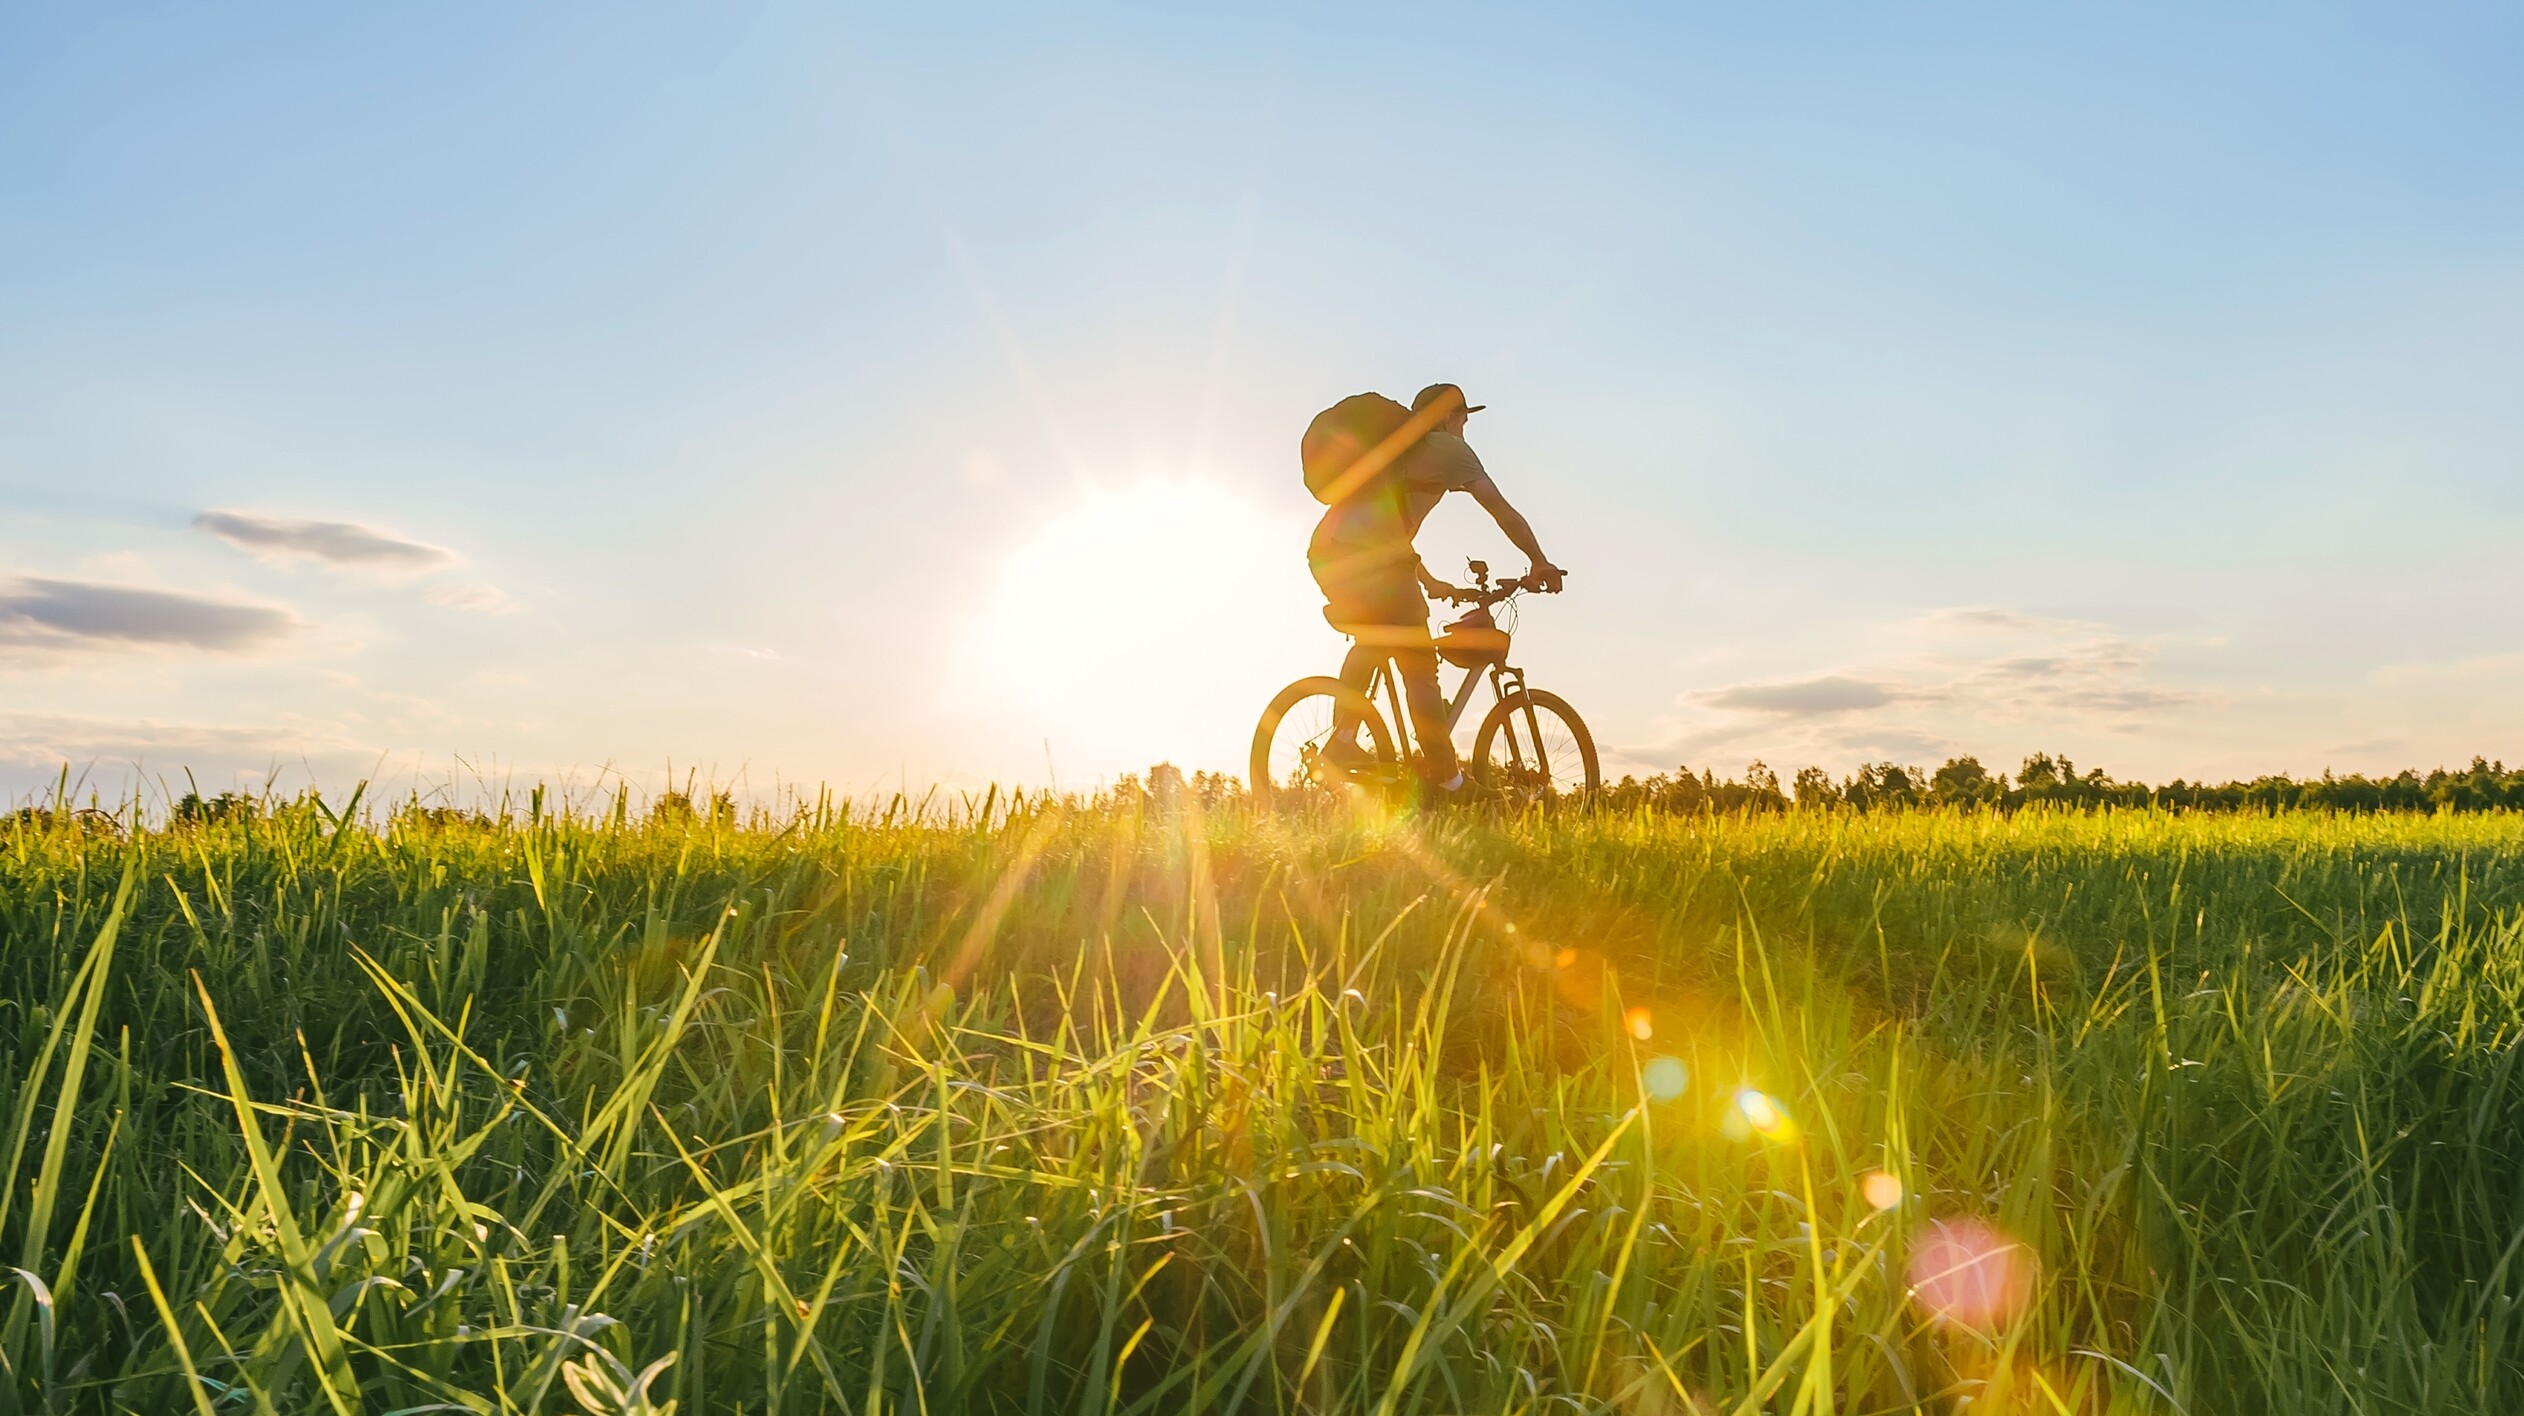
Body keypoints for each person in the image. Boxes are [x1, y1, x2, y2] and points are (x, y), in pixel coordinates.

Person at [1308, 383, 1565, 802]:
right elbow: (1501, 510)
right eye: (1464, 417)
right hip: (1367, 560)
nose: (1466, 426)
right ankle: (1448, 782)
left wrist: (1430, 583)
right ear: (1449, 416)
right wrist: (1539, 560)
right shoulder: (1449, 450)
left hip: (1332, 556)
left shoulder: (1404, 457)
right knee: (1418, 659)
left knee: (1380, 636)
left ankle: (1344, 739)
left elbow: (1392, 532)